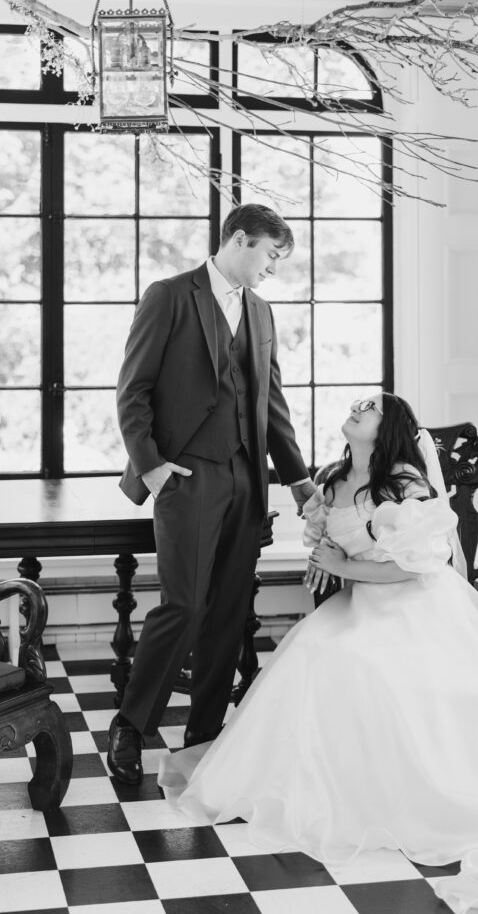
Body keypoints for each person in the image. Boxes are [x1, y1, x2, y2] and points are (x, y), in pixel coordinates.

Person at [158, 392, 478, 913]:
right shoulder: (332, 480)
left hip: (418, 607)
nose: (356, 408)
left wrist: (341, 566)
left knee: (368, 666)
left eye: (369, 407)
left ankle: (397, 793)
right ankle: (318, 782)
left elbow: (418, 567)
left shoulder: (404, 486)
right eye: (358, 403)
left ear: (387, 428)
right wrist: (326, 550)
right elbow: (329, 541)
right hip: (362, 601)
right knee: (313, 655)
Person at [109, 203, 315, 786]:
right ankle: (130, 723)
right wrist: (152, 469)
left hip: (247, 479)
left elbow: (270, 406)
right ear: (240, 239)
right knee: (185, 605)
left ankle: (204, 733)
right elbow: (133, 390)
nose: (274, 267)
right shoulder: (170, 295)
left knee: (228, 610)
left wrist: (298, 481)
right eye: (272, 255)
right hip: (187, 475)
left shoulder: (262, 311)